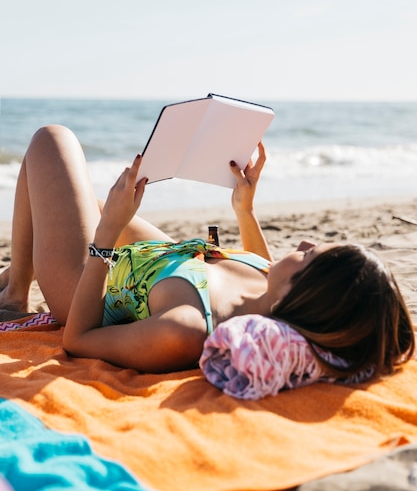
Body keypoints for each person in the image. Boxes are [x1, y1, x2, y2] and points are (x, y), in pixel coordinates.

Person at [0, 125, 414, 380]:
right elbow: (265, 266)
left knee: (52, 140)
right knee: (70, 196)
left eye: (309, 257)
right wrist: (244, 210)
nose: (304, 244)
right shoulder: (270, 294)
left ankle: (16, 293)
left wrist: (108, 229)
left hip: (85, 288)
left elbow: (79, 339)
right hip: (162, 259)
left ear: (296, 297)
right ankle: (20, 270)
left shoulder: (186, 328)